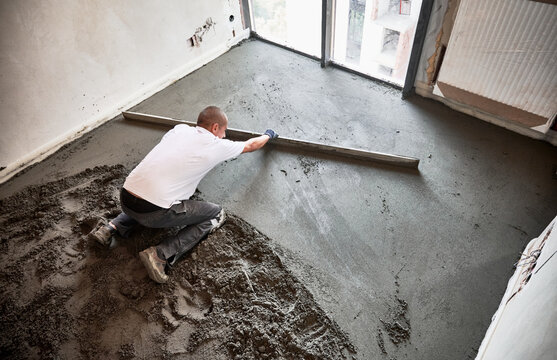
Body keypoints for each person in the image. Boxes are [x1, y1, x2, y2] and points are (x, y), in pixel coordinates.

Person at [89, 106, 278, 283]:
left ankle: (110, 228)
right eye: (223, 131)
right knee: (216, 213)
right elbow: (251, 145)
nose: (224, 135)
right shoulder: (217, 145)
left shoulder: (179, 130)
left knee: (150, 193)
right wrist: (268, 135)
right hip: (152, 213)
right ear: (215, 127)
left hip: (126, 198)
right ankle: (160, 255)